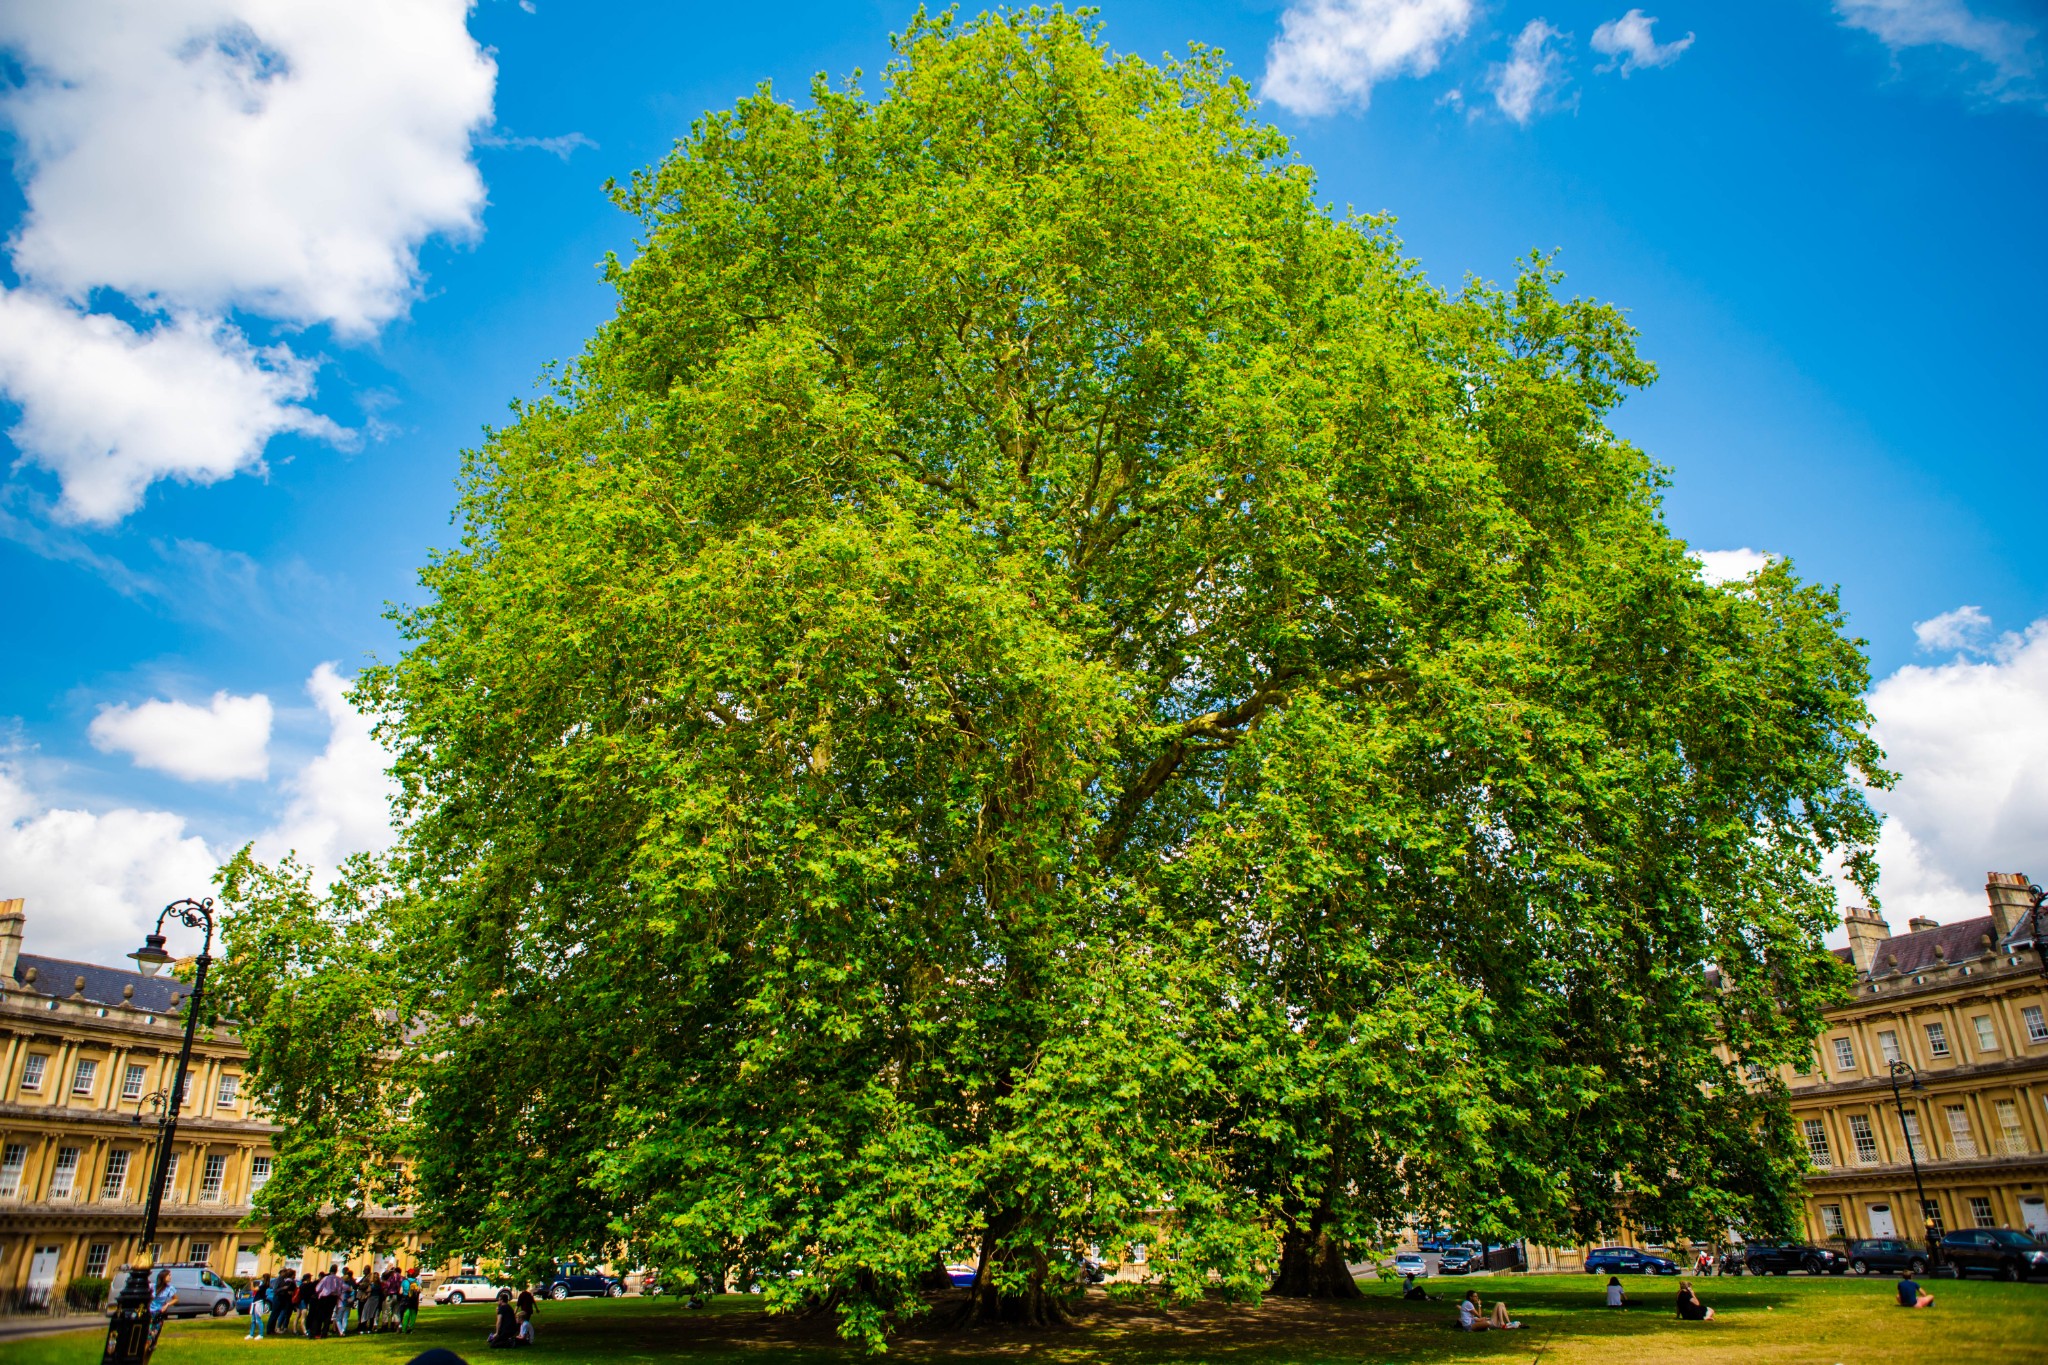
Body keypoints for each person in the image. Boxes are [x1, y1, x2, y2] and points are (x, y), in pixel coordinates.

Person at [147, 1268, 178, 1351]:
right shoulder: (153, 1287)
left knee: (155, 1334)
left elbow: (175, 1299)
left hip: (159, 1313)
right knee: (148, 1334)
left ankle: (151, 1347)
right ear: (163, 1277)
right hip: (150, 1312)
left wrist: (167, 1304)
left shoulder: (169, 1288)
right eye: (169, 1275)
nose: (170, 1277)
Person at [246, 1273, 271, 1339]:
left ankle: (261, 1334)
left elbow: (253, 1289)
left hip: (258, 1303)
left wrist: (251, 1281)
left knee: (258, 1319)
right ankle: (251, 1334)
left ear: (263, 1278)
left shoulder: (263, 1286)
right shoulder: (264, 1285)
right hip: (256, 1302)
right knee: (253, 1320)